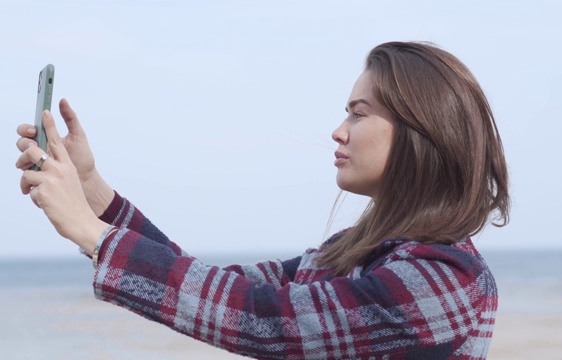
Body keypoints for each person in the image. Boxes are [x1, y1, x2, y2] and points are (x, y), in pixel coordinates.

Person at [15, 41, 509, 360]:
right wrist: (92, 189)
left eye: (359, 115)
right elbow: (218, 287)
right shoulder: (351, 252)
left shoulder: (444, 277)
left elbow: (266, 319)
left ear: (422, 134)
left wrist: (90, 231)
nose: (338, 132)